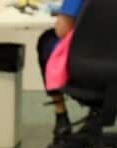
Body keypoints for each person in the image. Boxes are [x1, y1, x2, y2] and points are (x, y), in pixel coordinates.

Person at [35, 0, 83, 139]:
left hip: (86, 63)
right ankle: (96, 114)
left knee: (46, 41)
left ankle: (61, 114)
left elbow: (62, 30)